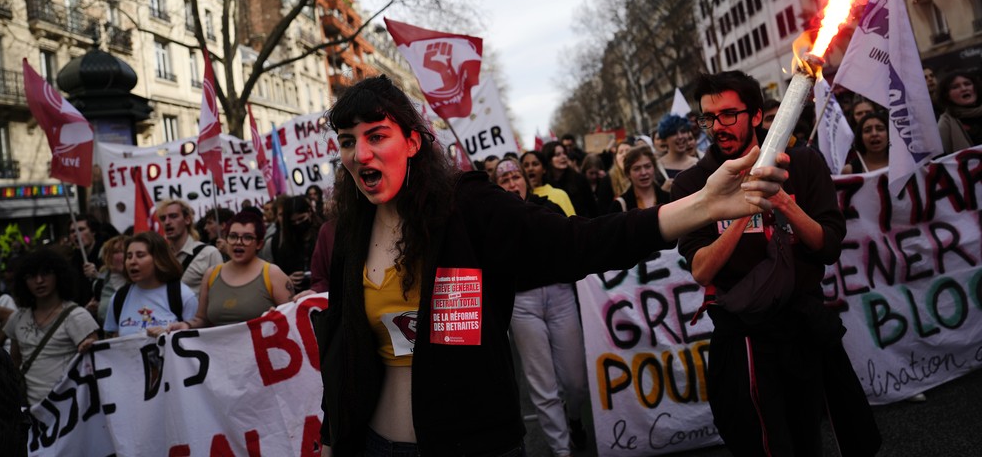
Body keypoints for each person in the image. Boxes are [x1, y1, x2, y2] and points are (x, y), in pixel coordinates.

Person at [312, 75, 788, 457]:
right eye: (348, 141)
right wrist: (334, 436)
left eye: (377, 136)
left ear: (413, 142)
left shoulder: (467, 208)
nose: (361, 154)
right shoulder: (349, 233)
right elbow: (343, 346)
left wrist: (701, 205)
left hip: (474, 444)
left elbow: (579, 242)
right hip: (374, 442)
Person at [673, 70, 880, 457]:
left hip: (802, 324)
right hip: (744, 337)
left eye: (729, 114)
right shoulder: (692, 184)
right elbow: (701, 270)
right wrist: (740, 210)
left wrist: (782, 200)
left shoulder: (802, 162)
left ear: (756, 115)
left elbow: (828, 246)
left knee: (808, 434)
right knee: (761, 443)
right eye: (708, 117)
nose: (717, 126)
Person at [491, 157, 588, 456]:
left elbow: (571, 244)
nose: (511, 183)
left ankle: (574, 419)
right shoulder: (492, 219)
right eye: (504, 180)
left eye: (515, 177)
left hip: (559, 296)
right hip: (522, 305)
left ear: (526, 180)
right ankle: (562, 451)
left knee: (575, 381)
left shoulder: (548, 206)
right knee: (543, 385)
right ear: (496, 188)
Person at [156, 210, 292, 333]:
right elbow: (202, 320)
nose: (238, 242)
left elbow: (292, 319)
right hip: (221, 358)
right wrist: (186, 325)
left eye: (247, 237)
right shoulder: (212, 274)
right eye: (233, 236)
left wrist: (276, 319)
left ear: (259, 244)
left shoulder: (272, 274)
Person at [5, 249, 99, 405]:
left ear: (59, 276)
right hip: (33, 412)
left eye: (46, 273)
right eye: (31, 276)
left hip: (72, 408)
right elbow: (14, 363)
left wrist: (88, 347)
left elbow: (95, 363)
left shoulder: (77, 316)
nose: (39, 280)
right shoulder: (18, 318)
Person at [104, 232, 198, 337]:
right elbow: (114, 343)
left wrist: (169, 336)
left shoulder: (183, 295)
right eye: (129, 257)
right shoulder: (118, 298)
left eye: (140, 255)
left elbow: (195, 341)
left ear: (158, 259)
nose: (132, 262)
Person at [157, 199, 223, 295]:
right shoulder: (160, 257)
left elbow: (219, 294)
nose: (167, 222)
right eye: (163, 218)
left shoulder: (209, 253)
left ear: (187, 220)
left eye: (173, 216)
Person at [266, 195, 321, 293]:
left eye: (301, 219)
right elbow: (275, 271)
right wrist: (287, 279)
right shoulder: (279, 241)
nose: (298, 224)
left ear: (309, 212)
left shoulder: (322, 234)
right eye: (293, 222)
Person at [541, 141, 598, 217]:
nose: (563, 157)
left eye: (564, 153)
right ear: (548, 159)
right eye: (558, 155)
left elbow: (592, 208)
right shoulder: (544, 184)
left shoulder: (579, 179)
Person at [611, 144, 668, 212]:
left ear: (654, 168)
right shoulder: (619, 205)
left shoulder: (669, 198)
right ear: (628, 173)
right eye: (636, 169)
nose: (643, 173)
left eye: (647, 166)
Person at [86, 235, 128, 325]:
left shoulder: (139, 282)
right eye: (118, 252)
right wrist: (91, 311)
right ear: (108, 256)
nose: (124, 256)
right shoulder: (99, 284)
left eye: (127, 252)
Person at [937, 70, 982, 154]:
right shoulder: (946, 124)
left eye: (967, 84)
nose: (964, 89)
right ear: (947, 96)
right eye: (955, 87)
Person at [519, 150, 575, 216]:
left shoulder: (559, 195)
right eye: (526, 165)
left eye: (535, 164)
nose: (530, 168)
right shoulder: (519, 196)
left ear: (544, 169)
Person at [655, 114, 698, 195]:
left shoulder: (698, 163)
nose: (680, 136)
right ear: (664, 139)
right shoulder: (657, 168)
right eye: (673, 133)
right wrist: (662, 192)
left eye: (683, 131)